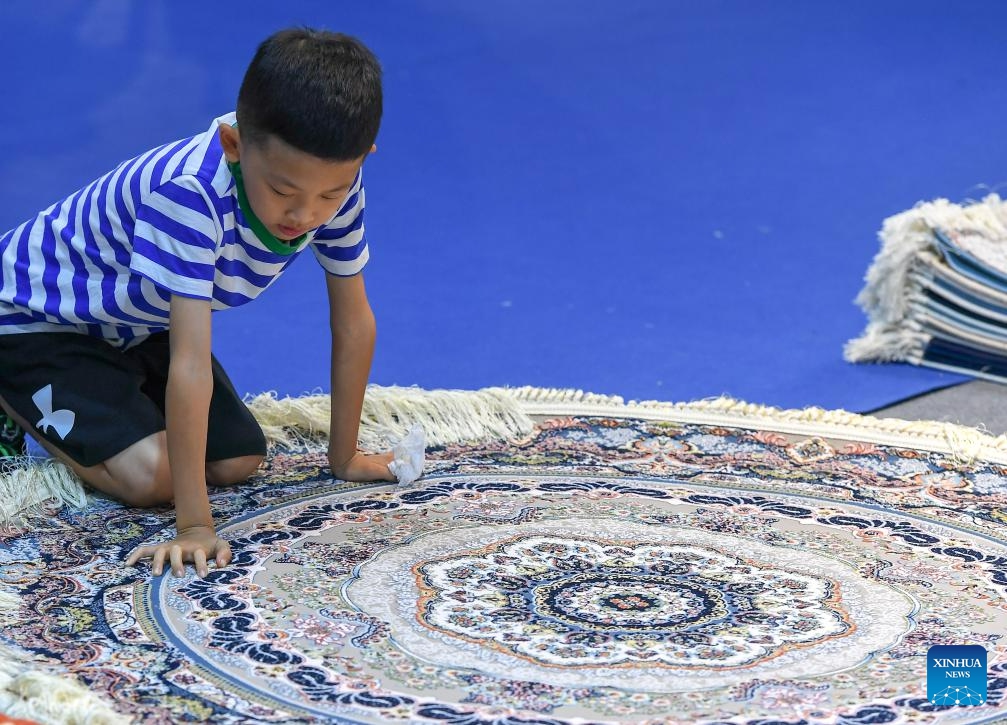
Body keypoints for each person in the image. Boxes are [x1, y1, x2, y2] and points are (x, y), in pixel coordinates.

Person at [0, 28, 394, 578]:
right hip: (34, 322)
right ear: (235, 145)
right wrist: (194, 527)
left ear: (360, 160)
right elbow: (190, 361)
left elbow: (353, 320)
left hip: (134, 323)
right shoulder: (190, 193)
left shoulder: (337, 185)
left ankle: (106, 393)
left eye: (329, 194)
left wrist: (344, 457)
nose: (305, 214)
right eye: (283, 191)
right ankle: (10, 389)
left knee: (238, 460)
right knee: (157, 479)